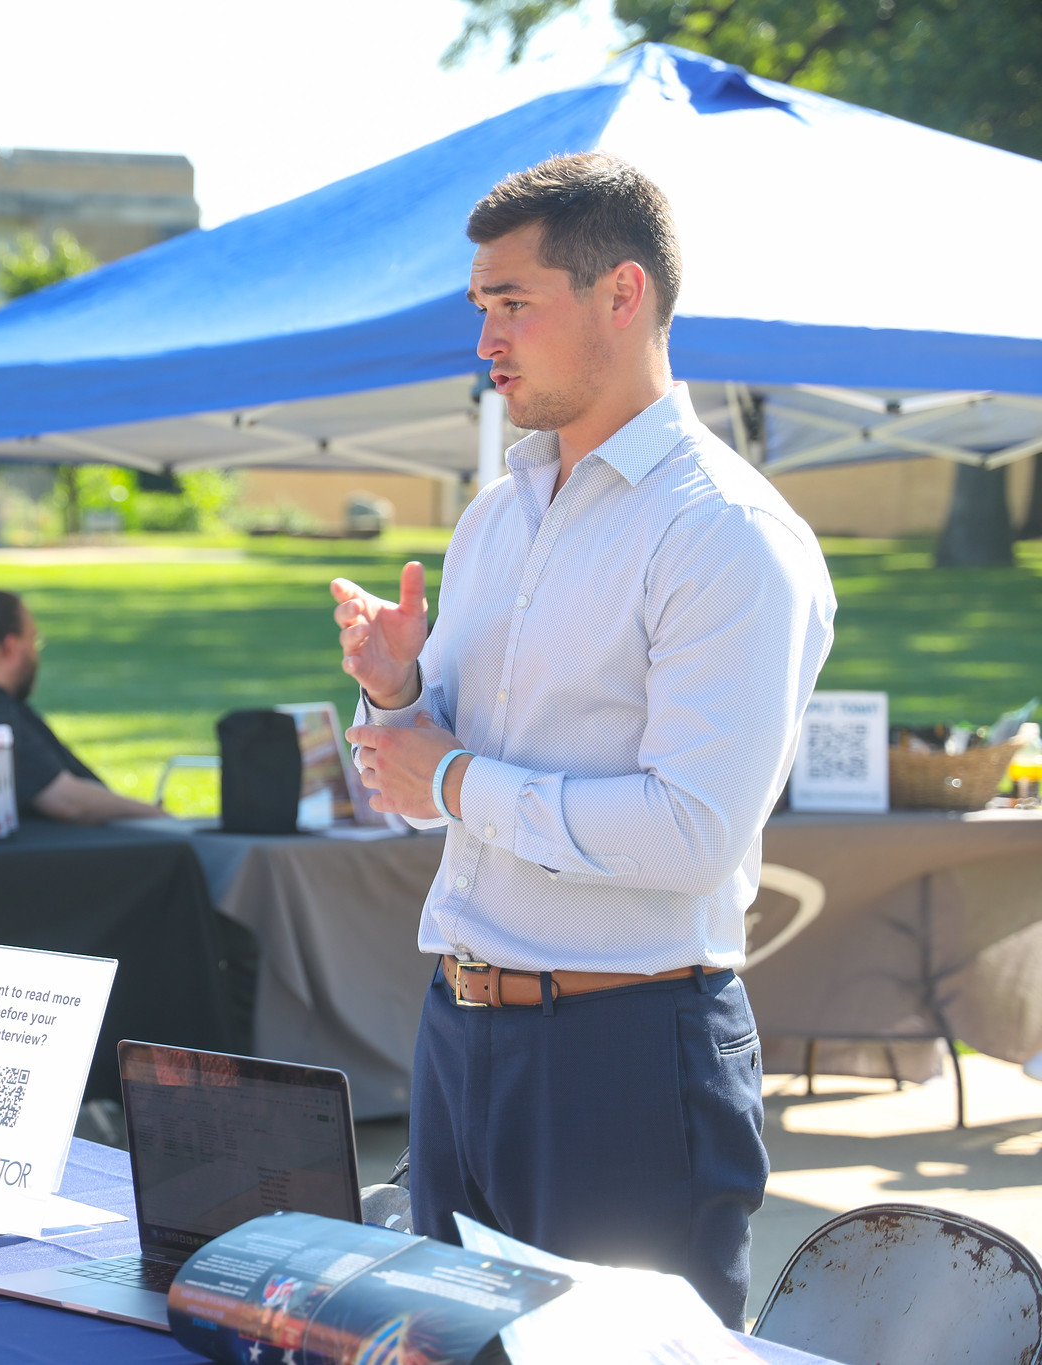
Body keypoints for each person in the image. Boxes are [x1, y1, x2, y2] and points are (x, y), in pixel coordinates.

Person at [334, 153, 834, 1326]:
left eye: (512, 304)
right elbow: (422, 793)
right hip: (458, 1034)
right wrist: (397, 696)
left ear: (622, 294)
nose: (484, 340)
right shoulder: (496, 517)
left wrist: (451, 773)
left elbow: (690, 833)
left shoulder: (726, 535)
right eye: (480, 309)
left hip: (627, 1049)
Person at [0, 589, 166, 824]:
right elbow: (67, 801)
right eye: (34, 640)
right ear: (10, 646)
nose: (35, 651)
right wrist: (156, 815)